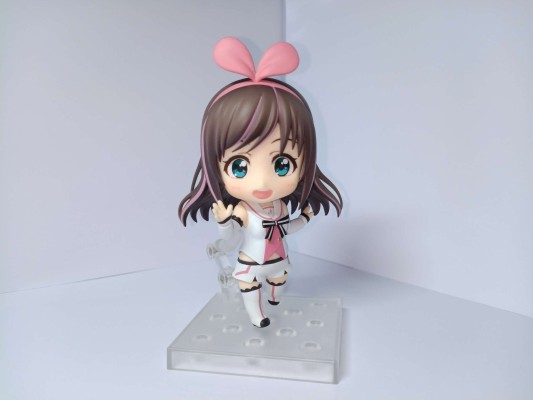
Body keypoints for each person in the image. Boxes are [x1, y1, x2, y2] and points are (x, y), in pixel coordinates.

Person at [179, 37, 342, 327]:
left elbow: (286, 228)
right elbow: (231, 238)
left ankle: (275, 297)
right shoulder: (244, 210)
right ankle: (257, 316)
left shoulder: (280, 207)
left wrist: (304, 217)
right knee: (249, 285)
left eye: (282, 164)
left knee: (280, 279)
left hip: (278, 261)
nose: (263, 181)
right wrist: (223, 221)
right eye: (240, 167)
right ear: (215, 166)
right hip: (252, 262)